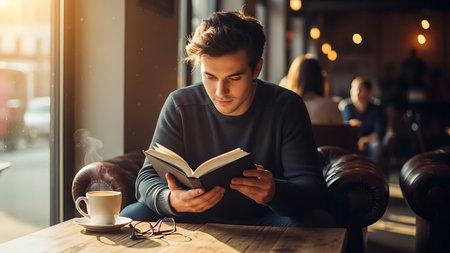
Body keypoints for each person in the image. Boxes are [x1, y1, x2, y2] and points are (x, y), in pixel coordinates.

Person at [120, 10, 333, 227]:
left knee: (317, 222)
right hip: (194, 216)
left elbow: (313, 189)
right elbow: (146, 178)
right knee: (132, 215)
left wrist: (274, 192)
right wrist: (171, 200)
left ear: (256, 69)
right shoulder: (180, 104)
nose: (220, 92)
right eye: (209, 77)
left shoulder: (286, 106)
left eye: (234, 77)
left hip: (266, 218)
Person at [279, 54, 343, 125]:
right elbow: (341, 134)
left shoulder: (287, 108)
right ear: (321, 79)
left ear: (295, 80)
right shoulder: (331, 106)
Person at [340, 77, 386, 165]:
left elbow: (378, 133)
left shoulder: (376, 109)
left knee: (376, 146)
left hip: (370, 142)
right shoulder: (347, 107)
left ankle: (373, 174)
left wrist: (364, 140)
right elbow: (345, 128)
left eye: (360, 89)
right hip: (352, 142)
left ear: (369, 92)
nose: (356, 92)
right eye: (353, 89)